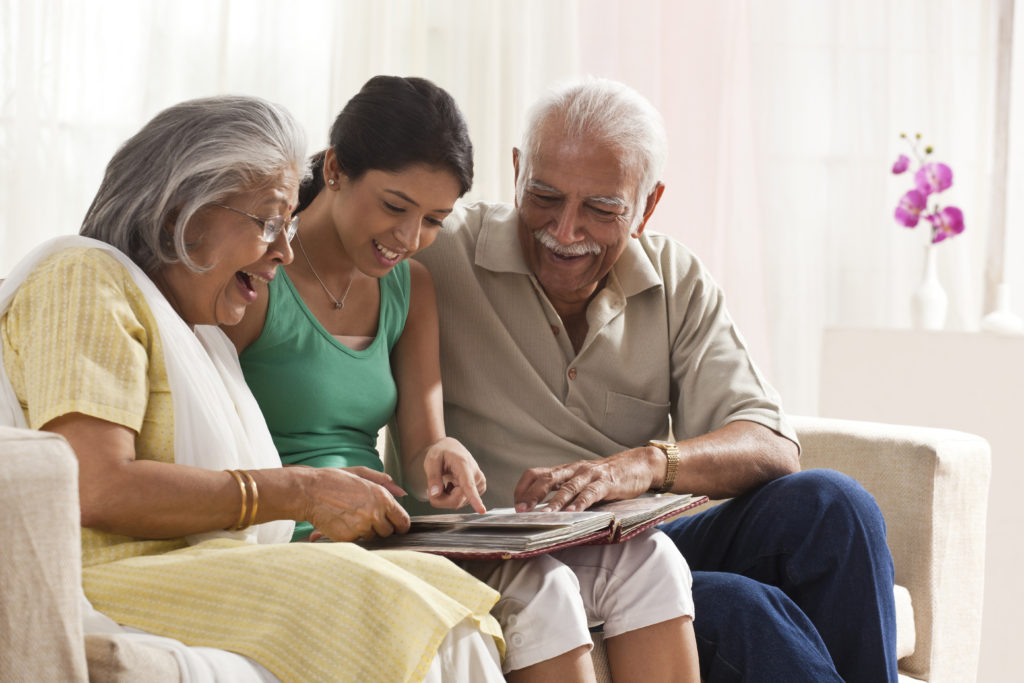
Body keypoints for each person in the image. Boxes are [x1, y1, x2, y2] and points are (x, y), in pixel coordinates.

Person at [0, 95, 508, 683]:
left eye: (287, 224)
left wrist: (326, 492)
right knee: (401, 608)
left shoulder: (201, 332)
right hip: (121, 575)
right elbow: (95, 484)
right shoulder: (82, 277)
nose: (285, 251)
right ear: (179, 214)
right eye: (269, 223)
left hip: (208, 564)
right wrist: (301, 490)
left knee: (452, 594)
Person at [412, 77, 900, 682]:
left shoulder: (676, 277)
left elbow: (770, 443)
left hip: (643, 549)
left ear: (647, 205)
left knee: (834, 506)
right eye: (544, 195)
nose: (565, 231)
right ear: (516, 171)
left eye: (601, 208)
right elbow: (335, 239)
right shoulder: (439, 248)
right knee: (737, 607)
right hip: (517, 560)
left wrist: (640, 465)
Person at [225, 75, 700, 683]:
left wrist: (442, 454)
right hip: (294, 531)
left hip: (384, 527)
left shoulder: (409, 284)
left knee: (648, 557)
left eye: (433, 220)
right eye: (396, 208)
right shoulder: (259, 279)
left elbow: (425, 437)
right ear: (337, 169)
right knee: (546, 590)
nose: (408, 238)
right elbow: (205, 426)